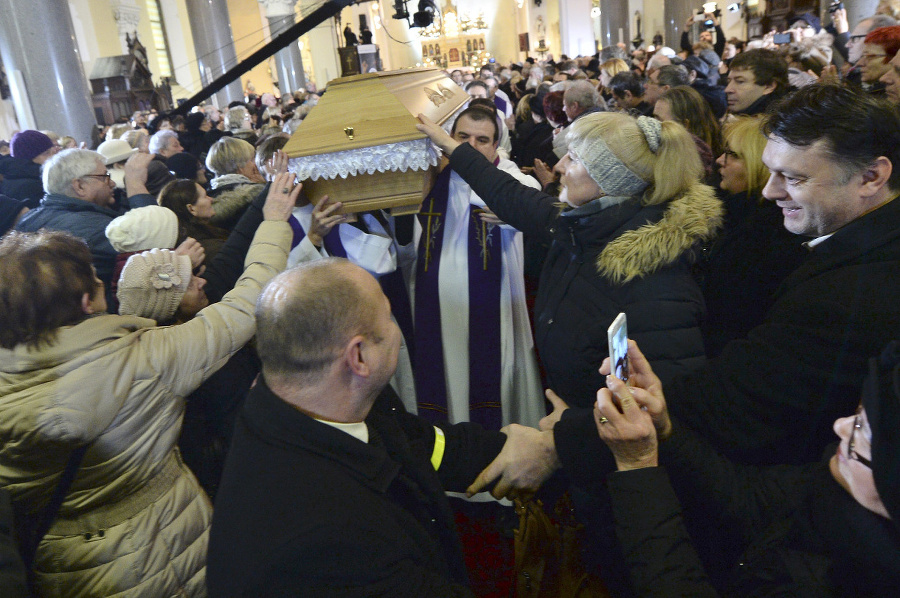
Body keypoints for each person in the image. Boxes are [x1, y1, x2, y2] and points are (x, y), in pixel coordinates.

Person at [0, 176, 294, 596]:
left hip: (64, 566)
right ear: (87, 302)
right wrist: (274, 223)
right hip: (166, 550)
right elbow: (245, 305)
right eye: (97, 284)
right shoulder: (143, 359)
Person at [206, 258, 509, 596]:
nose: (396, 330)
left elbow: (421, 446)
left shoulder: (317, 403)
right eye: (389, 316)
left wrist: (526, 448)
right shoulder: (327, 540)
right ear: (359, 357)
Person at [416, 108, 721, 412]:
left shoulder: (657, 283)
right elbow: (511, 195)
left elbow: (653, 407)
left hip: (595, 440)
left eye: (573, 158)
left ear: (607, 180)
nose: (559, 166)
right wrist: (450, 146)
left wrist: (567, 435)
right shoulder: (583, 223)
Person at [595, 339, 900, 595]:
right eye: (857, 414)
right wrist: (665, 432)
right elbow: (746, 497)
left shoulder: (847, 583)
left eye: (862, 432)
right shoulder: (836, 482)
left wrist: (637, 465)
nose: (839, 427)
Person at [413, 105, 545, 430]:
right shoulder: (429, 180)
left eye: (482, 139)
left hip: (494, 313)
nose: (470, 147)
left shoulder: (513, 180)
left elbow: (533, 198)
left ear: (496, 145)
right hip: (440, 318)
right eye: (462, 137)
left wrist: (513, 211)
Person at [696, 116, 806, 357]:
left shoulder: (766, 235)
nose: (719, 161)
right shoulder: (733, 214)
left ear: (761, 166)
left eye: (733, 155)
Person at [14, 149, 156, 301]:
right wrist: (136, 184)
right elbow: (156, 249)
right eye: (105, 177)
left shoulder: (29, 218)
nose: (113, 182)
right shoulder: (98, 229)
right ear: (79, 186)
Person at [157, 179, 230, 265]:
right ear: (191, 209)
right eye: (205, 196)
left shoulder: (176, 243)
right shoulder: (213, 249)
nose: (211, 199)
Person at [204, 137, 266, 229]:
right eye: (252, 159)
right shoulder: (254, 195)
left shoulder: (210, 193)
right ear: (239, 166)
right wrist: (265, 185)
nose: (256, 164)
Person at [0, 130, 58, 208]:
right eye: (46, 153)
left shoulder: (19, 176)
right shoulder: (31, 186)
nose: (53, 157)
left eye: (53, 152)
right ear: (28, 159)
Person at [724, 49, 789, 115]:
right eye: (728, 81)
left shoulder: (776, 123)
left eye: (740, 81)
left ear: (769, 87)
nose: (727, 89)